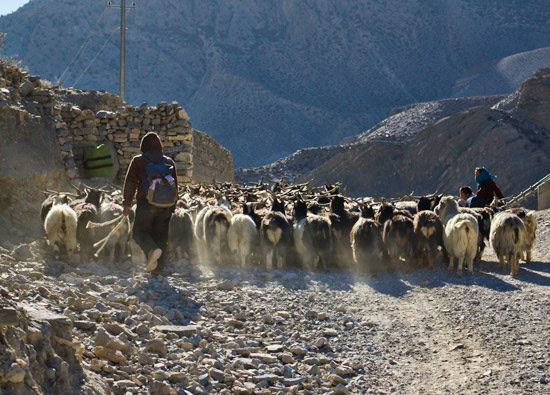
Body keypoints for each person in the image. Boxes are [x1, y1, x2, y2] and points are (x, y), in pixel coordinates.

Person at [122, 132, 178, 274]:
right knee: (161, 235)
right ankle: (157, 270)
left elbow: (130, 183)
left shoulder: (138, 161)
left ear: (143, 146)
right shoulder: (169, 162)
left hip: (146, 203)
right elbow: (175, 186)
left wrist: (127, 204)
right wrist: (172, 207)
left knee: (139, 233)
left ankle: (151, 250)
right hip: (166, 205)